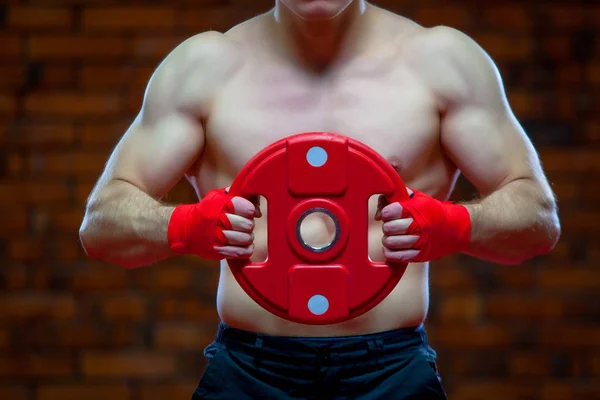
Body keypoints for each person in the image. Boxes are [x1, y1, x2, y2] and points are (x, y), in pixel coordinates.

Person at [79, 1, 561, 398]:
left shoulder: (441, 63)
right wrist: (183, 227)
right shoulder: (204, 67)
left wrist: (456, 225)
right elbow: (101, 226)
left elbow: (538, 218)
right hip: (250, 371)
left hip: (390, 372)